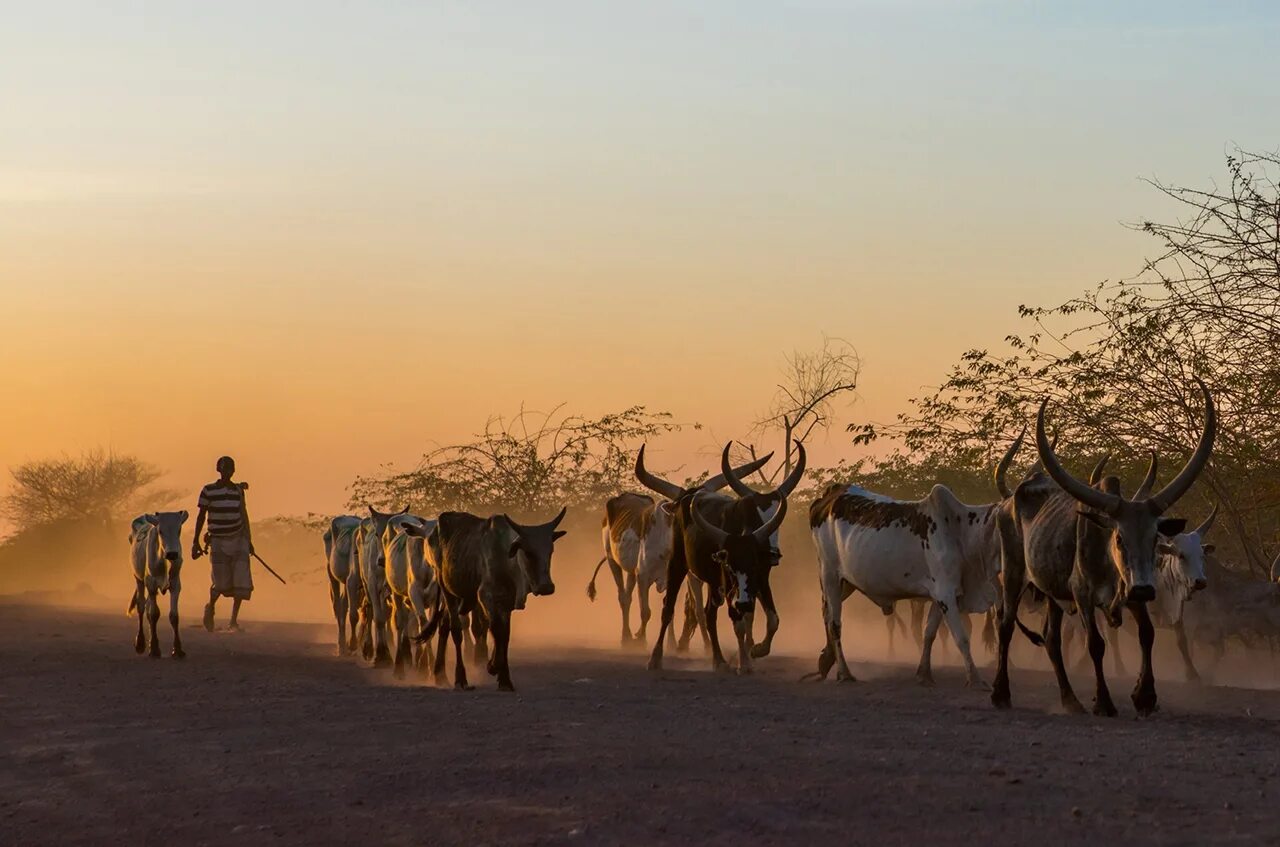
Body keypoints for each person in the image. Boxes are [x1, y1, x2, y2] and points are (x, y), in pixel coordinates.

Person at [193, 456, 254, 631]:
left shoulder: (237, 491)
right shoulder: (208, 490)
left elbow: (244, 514)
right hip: (218, 540)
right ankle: (210, 607)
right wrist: (195, 541)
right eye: (225, 469)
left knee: (240, 579)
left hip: (239, 537)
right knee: (220, 582)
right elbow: (201, 516)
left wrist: (249, 540)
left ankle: (233, 620)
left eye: (230, 469)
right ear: (218, 470)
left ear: (233, 471)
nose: (228, 472)